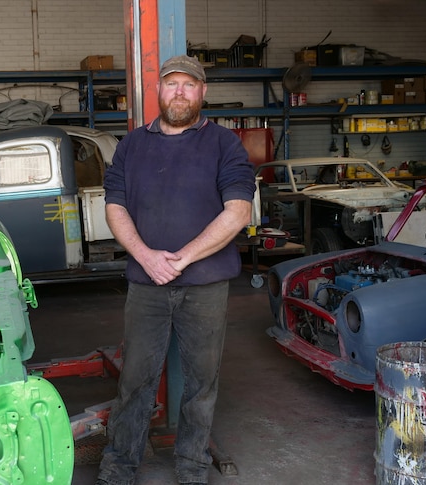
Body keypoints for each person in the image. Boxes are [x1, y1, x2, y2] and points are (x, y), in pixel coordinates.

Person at [95, 55, 256, 485]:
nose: (180, 91)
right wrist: (146, 256)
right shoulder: (131, 145)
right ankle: (119, 467)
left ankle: (191, 467)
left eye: (190, 84)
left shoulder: (225, 144)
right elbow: (115, 206)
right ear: (159, 91)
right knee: (135, 380)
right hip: (146, 285)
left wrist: (182, 258)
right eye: (172, 84)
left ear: (202, 92)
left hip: (204, 285)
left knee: (201, 383)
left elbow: (238, 210)